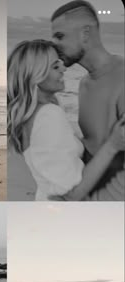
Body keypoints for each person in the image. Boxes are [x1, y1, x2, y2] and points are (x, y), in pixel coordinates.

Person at [7, 40, 125, 201]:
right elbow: (73, 192)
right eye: (55, 67)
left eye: (61, 63)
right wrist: (112, 145)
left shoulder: (34, 115)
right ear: (36, 76)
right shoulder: (48, 115)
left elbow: (54, 156)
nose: (64, 69)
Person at [51, 0, 125, 200]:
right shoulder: (84, 83)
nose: (54, 44)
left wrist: (91, 202)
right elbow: (95, 145)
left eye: (60, 36)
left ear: (85, 34)